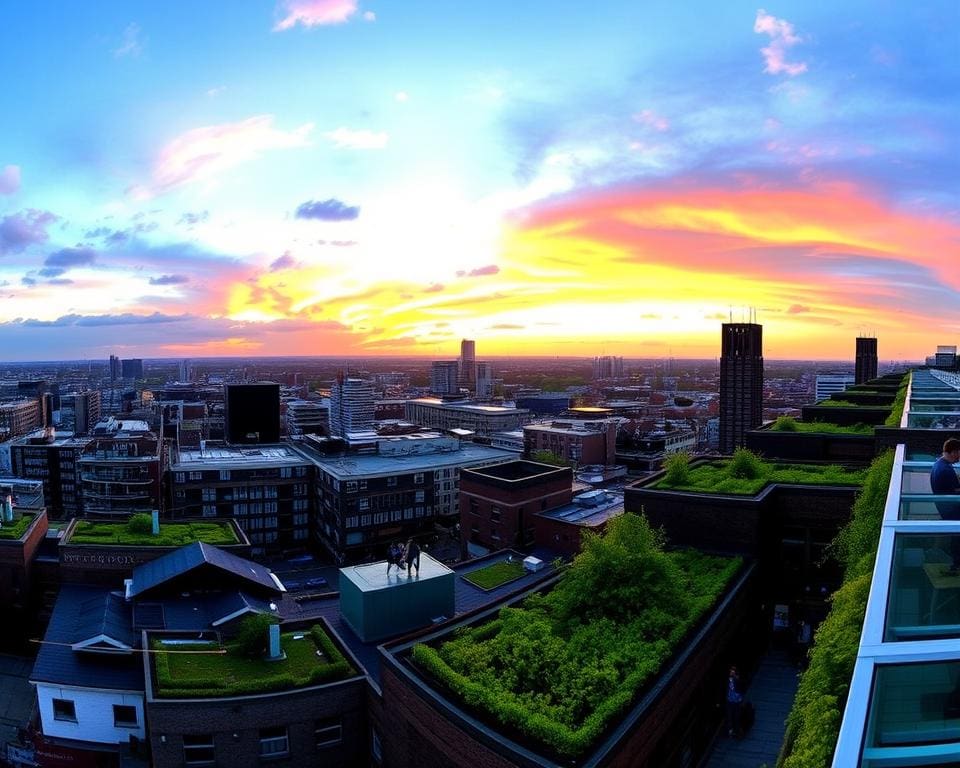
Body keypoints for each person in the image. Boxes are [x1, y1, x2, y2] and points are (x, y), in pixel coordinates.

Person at [930, 438, 960, 571]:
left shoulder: (938, 464)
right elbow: (956, 490)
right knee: (957, 538)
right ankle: (956, 563)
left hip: (945, 508)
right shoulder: (946, 470)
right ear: (954, 452)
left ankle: (956, 563)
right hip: (952, 510)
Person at [725, 666, 743, 737]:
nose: (731, 673)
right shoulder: (728, 680)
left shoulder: (737, 679)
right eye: (731, 672)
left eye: (733, 672)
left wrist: (735, 678)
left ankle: (737, 731)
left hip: (736, 701)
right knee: (729, 717)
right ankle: (730, 731)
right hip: (730, 700)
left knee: (736, 717)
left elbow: (740, 686)